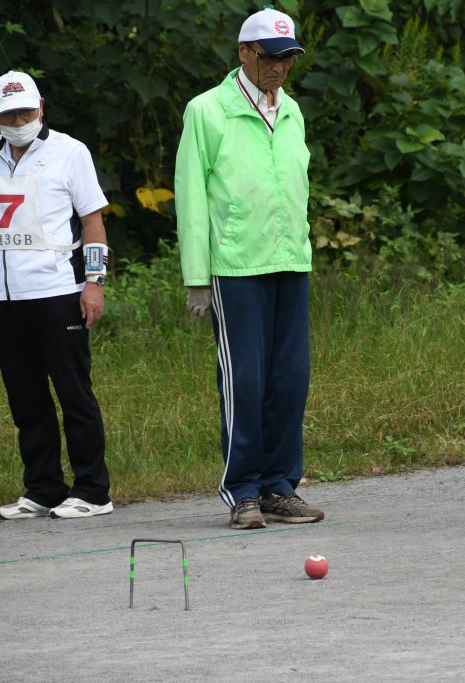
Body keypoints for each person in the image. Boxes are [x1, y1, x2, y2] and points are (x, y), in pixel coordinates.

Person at [174, 8, 324, 530]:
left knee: (290, 380)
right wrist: (197, 276)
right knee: (245, 381)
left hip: (290, 260)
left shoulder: (293, 111)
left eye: (287, 58)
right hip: (235, 266)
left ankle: (281, 486)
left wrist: (302, 246)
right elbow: (192, 197)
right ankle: (243, 491)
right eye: (269, 57)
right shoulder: (207, 110)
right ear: (244, 53)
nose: (279, 68)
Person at [0, 70, 114, 520]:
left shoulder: (70, 152)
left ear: (42, 107)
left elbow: (93, 221)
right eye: (8, 114)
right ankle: (43, 488)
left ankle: (93, 492)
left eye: (25, 111)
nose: (18, 120)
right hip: (6, 299)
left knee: (74, 394)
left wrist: (95, 282)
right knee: (26, 399)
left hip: (58, 293)